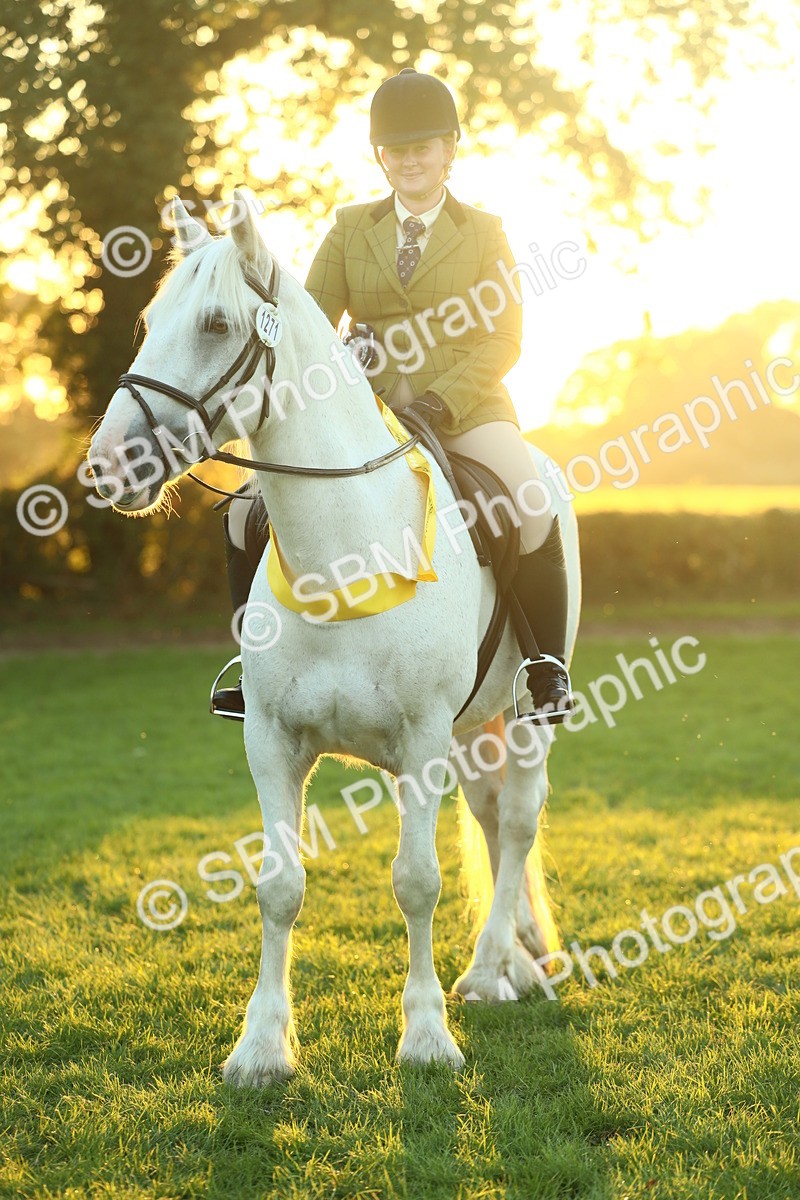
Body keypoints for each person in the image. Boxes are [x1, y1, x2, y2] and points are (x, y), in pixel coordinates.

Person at [211, 67, 574, 723]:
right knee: (241, 510)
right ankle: (251, 663)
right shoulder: (351, 228)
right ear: (381, 155)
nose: (409, 159)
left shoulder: (486, 232)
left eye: (423, 146)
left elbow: (504, 337)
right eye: (397, 149)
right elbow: (309, 326)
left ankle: (544, 666)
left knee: (530, 497)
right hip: (362, 411)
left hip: (465, 409)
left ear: (450, 150)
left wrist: (441, 398)